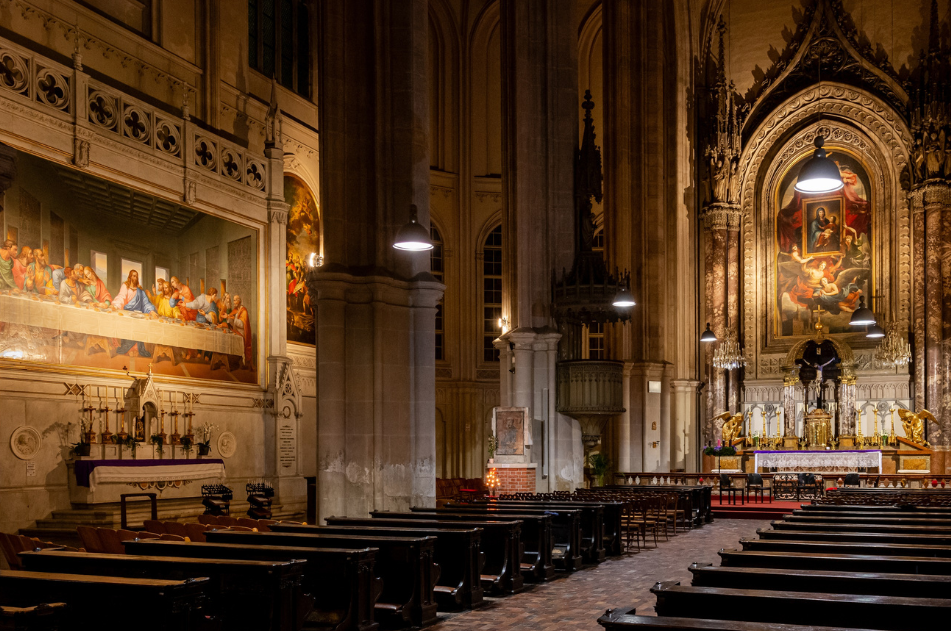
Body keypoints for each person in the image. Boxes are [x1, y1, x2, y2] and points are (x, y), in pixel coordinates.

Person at [220, 293, 252, 368]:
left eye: (235, 301)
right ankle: (230, 361)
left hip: (242, 334)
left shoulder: (244, 311)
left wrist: (233, 319)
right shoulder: (236, 310)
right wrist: (228, 317)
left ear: (239, 301)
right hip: (236, 331)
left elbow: (241, 324)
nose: (233, 303)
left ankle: (236, 362)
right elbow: (233, 323)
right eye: (233, 301)